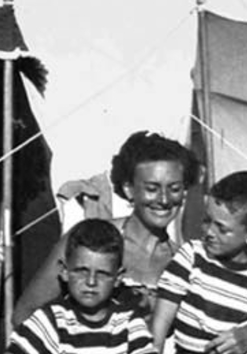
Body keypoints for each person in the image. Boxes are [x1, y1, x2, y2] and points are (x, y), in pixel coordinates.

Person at [14, 131, 201, 327]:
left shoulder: (183, 261)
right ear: (129, 189)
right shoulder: (89, 238)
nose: (164, 200)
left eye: (174, 189)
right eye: (152, 188)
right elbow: (25, 313)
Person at [151, 171, 247, 354]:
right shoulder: (192, 256)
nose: (209, 232)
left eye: (222, 229)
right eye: (207, 220)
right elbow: (161, 319)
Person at [7, 219, 157, 354]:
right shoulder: (50, 321)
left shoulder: (128, 322)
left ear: (118, 278)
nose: (91, 282)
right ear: (65, 271)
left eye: (102, 274)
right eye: (81, 271)